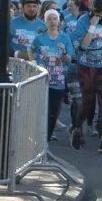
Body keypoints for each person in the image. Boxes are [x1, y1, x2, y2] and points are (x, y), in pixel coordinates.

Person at [72, 0, 102, 153]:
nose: (98, 16)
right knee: (88, 101)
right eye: (96, 12)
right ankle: (77, 127)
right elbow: (84, 45)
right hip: (86, 65)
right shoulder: (84, 21)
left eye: (101, 13)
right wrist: (92, 26)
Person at [30, 9, 76, 142]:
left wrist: (64, 53)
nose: (52, 21)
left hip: (58, 81)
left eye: (54, 19)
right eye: (49, 19)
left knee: (52, 113)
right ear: (45, 21)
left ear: (59, 21)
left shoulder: (65, 38)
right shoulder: (40, 38)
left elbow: (69, 59)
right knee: (39, 111)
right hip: (42, 80)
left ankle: (46, 141)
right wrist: (33, 63)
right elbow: (31, 50)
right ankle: (36, 139)